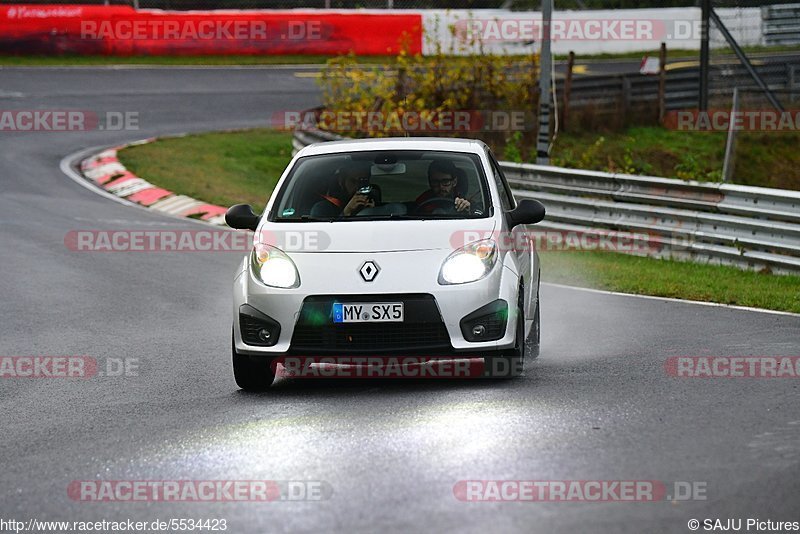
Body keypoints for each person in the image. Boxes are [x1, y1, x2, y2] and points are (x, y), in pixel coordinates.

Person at [310, 161, 376, 217]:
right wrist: (346, 213)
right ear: (341, 181)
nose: (358, 186)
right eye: (353, 181)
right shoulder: (323, 208)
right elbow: (324, 231)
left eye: (363, 181)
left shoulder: (374, 202)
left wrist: (372, 212)